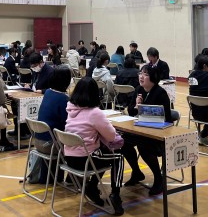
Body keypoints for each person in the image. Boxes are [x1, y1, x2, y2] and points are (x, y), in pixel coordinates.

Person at [65, 77, 124, 215]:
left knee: (103, 153)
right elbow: (111, 136)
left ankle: (92, 187)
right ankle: (115, 195)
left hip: (69, 158)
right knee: (118, 157)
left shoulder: (70, 108)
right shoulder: (95, 112)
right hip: (85, 160)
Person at [122, 64, 172, 196]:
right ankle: (136, 172)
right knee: (123, 143)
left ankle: (158, 178)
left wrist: (144, 109)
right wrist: (137, 106)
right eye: (140, 73)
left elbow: (166, 117)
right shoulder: (139, 89)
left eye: (145, 74)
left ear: (153, 78)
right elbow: (131, 111)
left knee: (144, 147)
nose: (141, 76)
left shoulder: (160, 93)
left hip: (158, 132)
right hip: (140, 129)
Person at [34, 66, 71, 155]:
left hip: (38, 141)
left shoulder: (48, 92)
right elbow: (67, 123)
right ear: (66, 80)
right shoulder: (63, 99)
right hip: (51, 145)